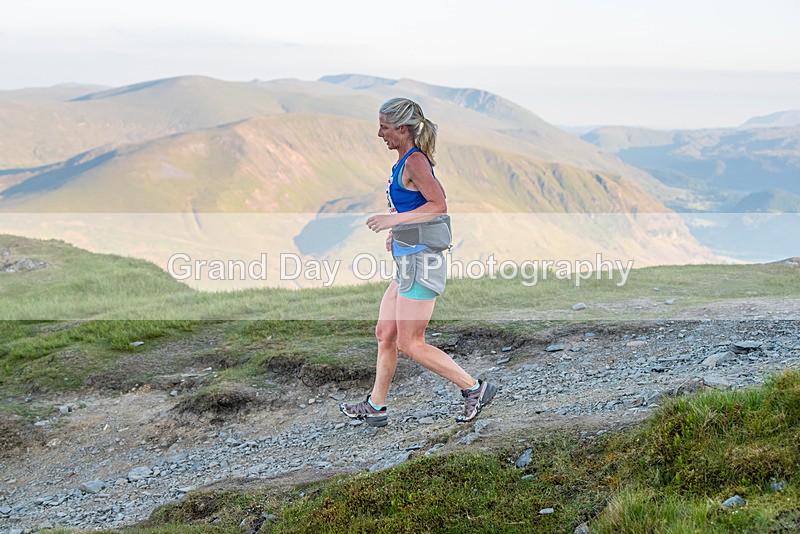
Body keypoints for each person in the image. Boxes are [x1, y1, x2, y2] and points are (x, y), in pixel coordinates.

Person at [339, 97, 497, 427]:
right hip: (407, 263)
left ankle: (474, 388)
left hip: (421, 265)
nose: (379, 133)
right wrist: (398, 231)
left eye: (384, 127)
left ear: (402, 128)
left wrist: (393, 222)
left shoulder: (415, 162)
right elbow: (416, 206)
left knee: (411, 343)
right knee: (386, 333)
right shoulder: (403, 162)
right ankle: (376, 406)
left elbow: (438, 204)